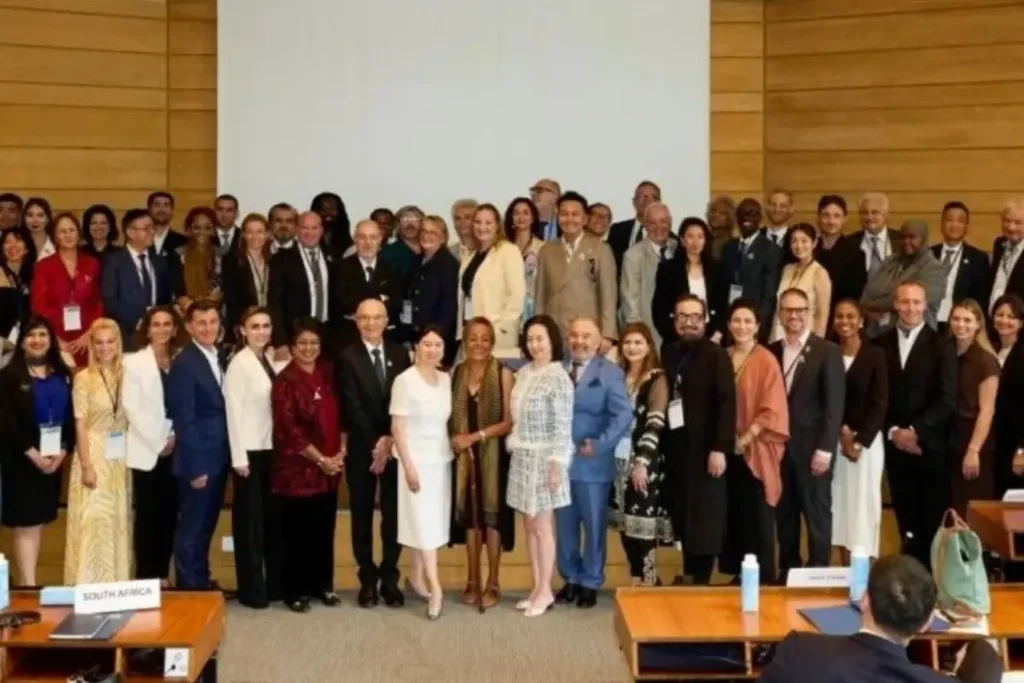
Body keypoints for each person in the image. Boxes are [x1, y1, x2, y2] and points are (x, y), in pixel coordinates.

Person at [760, 554, 1004, 683]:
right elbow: (986, 668)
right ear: (927, 623)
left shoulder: (799, 651)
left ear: (864, 600)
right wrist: (982, 648)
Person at [337, 298, 411, 607]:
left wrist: (389, 442)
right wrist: (377, 442)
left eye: (376, 317)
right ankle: (367, 577)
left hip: (395, 448)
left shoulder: (399, 353)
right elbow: (351, 406)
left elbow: (406, 401)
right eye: (364, 318)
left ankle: (390, 577)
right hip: (361, 449)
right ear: (356, 321)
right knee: (362, 515)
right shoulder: (346, 357)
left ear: (386, 321)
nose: (370, 323)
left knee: (394, 515)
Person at [878, 281, 957, 568]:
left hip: (931, 450)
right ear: (896, 304)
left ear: (925, 305)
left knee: (932, 522)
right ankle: (910, 582)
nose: (910, 308)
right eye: (905, 302)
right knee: (905, 520)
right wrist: (894, 433)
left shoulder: (942, 345)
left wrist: (916, 432)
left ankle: (933, 586)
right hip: (895, 448)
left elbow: (947, 398)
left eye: (916, 302)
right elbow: (878, 398)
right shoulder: (880, 345)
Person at [555, 317, 632, 607]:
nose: (579, 341)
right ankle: (570, 578)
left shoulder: (611, 373)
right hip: (560, 464)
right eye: (574, 335)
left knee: (594, 525)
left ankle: (590, 581)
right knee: (564, 526)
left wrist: (601, 443)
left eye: (586, 336)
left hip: (593, 463)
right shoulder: (558, 369)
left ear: (599, 342)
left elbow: (623, 415)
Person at [768, 288, 844, 578]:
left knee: (817, 514)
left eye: (800, 310)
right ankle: (788, 571)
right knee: (784, 515)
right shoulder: (771, 351)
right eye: (788, 310)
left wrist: (825, 449)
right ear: (780, 314)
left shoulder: (827, 351)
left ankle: (818, 574)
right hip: (779, 451)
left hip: (814, 450)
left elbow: (833, 406)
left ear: (809, 313)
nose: (794, 315)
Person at [661, 295, 736, 585]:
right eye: (682, 316)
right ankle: (689, 572)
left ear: (705, 320)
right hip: (679, 448)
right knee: (683, 513)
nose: (688, 322)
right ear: (675, 320)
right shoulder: (669, 351)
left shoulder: (716, 356)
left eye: (695, 316)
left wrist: (720, 448)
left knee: (705, 516)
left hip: (708, 448)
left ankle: (701, 577)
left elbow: (728, 403)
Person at [271, 317, 343, 612]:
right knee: (297, 533)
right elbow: (290, 430)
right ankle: (295, 591)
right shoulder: (284, 381)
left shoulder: (328, 373)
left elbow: (342, 416)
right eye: (302, 343)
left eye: (314, 343)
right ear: (292, 347)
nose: (309, 348)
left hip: (329, 471)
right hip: (297, 469)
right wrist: (321, 459)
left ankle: (322, 586)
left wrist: (339, 455)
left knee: (323, 530)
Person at [506, 315, 574, 617]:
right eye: (530, 339)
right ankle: (536, 586)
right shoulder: (524, 374)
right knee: (529, 524)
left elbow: (563, 425)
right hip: (523, 456)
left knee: (543, 526)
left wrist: (557, 463)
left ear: (552, 341)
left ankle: (546, 589)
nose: (535, 345)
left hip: (547, 458)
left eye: (540, 339)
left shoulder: (558, 377)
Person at [0, 316, 75, 585]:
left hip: (53, 459)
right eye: (31, 336)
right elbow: (5, 423)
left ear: (51, 341)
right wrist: (32, 454)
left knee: (38, 521)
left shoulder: (63, 375)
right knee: (26, 523)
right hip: (23, 461)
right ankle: (28, 585)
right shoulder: (9, 376)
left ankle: (28, 581)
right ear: (21, 343)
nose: (37, 340)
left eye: (43, 335)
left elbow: (71, 418)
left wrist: (63, 451)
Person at [720, 299, 788, 585]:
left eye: (748, 321)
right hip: (727, 449)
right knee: (733, 513)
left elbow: (773, 408)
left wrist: (746, 438)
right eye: (736, 320)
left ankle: (762, 579)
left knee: (756, 514)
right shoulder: (722, 356)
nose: (742, 326)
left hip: (754, 449)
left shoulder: (766, 359)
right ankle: (739, 573)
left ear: (758, 326)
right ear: (728, 324)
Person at [448, 318, 514, 608]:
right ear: (464, 341)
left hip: (494, 454)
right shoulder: (456, 372)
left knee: (492, 518)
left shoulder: (503, 373)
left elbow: (509, 422)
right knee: (471, 520)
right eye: (472, 338)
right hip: (463, 457)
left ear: (492, 343)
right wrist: (454, 437)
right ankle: (472, 580)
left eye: (484, 338)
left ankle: (494, 581)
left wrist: (474, 437)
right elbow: (447, 414)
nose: (478, 344)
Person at [390, 326, 452, 620]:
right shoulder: (404, 381)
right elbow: (397, 429)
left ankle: (415, 577)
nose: (432, 350)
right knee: (425, 526)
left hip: (440, 461)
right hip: (415, 464)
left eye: (437, 344)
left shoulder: (445, 379)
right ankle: (436, 588)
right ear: (416, 347)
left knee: (429, 523)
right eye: (426, 344)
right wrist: (409, 467)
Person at [167, 299, 228, 589]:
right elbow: (184, 419)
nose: (207, 328)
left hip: (217, 455)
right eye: (201, 323)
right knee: (191, 529)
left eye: (212, 322)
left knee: (205, 526)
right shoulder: (185, 363)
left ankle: (200, 580)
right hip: (199, 460)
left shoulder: (216, 356)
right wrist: (195, 466)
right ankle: (189, 589)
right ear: (189, 326)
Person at [224, 307, 283, 608]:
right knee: (249, 526)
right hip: (248, 453)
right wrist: (238, 457)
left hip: (267, 449)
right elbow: (232, 414)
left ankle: (266, 586)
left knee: (264, 523)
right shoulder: (239, 364)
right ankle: (251, 591)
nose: (261, 331)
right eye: (255, 326)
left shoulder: (267, 359)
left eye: (266, 325)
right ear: (243, 330)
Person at [64, 318, 130, 584]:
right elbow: (79, 425)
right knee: (94, 520)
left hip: (119, 455)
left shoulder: (127, 374)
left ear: (118, 343)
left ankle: (115, 583)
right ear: (91, 345)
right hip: (92, 452)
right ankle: (90, 583)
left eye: (110, 342)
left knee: (116, 519)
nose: (104, 348)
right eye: (99, 342)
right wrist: (87, 464)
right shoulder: (83, 378)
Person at [123, 305, 185, 582]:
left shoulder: (181, 360)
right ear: (147, 329)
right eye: (156, 324)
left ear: (174, 329)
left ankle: (163, 576)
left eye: (167, 324)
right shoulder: (132, 362)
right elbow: (132, 408)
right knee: (148, 518)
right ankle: (147, 578)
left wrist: (175, 437)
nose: (162, 329)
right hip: (148, 449)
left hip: (177, 449)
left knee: (171, 514)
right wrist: (160, 440)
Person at [609, 323, 671, 586]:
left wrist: (642, 462)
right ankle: (635, 577)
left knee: (643, 524)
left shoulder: (657, 379)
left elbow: (655, 423)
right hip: (617, 460)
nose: (632, 348)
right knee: (625, 524)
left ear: (648, 346)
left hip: (645, 460)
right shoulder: (617, 376)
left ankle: (650, 580)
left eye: (638, 342)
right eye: (627, 343)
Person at [831, 300, 889, 561]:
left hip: (867, 443)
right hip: (834, 439)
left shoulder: (875, 355)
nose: (845, 321)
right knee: (841, 504)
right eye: (840, 316)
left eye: (851, 316)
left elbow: (880, 402)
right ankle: (844, 566)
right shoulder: (828, 352)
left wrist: (859, 441)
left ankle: (866, 567)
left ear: (861, 321)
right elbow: (826, 397)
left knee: (864, 504)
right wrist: (842, 432)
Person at [535, 192, 618, 348]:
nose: (569, 219)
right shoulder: (547, 250)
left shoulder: (600, 249)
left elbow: (608, 296)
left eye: (575, 214)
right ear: (557, 217)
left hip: (587, 333)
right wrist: (538, 329)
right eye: (564, 214)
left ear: (585, 219)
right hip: (554, 332)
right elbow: (540, 297)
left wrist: (607, 334)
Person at [31, 212, 103, 367]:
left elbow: (98, 302)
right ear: (55, 236)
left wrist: (89, 333)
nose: (68, 235)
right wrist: (55, 339)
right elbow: (39, 306)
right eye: (62, 231)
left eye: (72, 230)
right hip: (56, 334)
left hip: (87, 335)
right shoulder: (43, 266)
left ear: (79, 234)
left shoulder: (91, 263)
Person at [948, 299, 999, 516]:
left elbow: (987, 410)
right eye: (957, 319)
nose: (961, 325)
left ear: (978, 324)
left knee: (969, 512)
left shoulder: (986, 361)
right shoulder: (946, 353)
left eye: (968, 320)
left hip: (972, 441)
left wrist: (973, 450)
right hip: (948, 440)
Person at [456, 203, 525, 358]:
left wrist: (500, 328)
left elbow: (517, 296)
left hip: (496, 334)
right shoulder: (471, 254)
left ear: (497, 226)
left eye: (488, 223)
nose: (482, 227)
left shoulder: (508, 251)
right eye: (478, 222)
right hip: (470, 331)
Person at [861, 220, 946, 337]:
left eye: (912, 237)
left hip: (917, 337)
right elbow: (869, 292)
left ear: (924, 239)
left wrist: (875, 306)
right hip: (879, 334)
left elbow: (913, 300)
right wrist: (867, 307)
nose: (906, 242)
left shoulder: (934, 268)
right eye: (903, 237)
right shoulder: (890, 261)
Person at [102, 208, 171, 350]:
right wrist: (140, 321)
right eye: (146, 228)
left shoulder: (160, 262)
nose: (152, 232)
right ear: (130, 232)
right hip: (127, 335)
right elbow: (110, 300)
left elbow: (165, 298)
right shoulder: (113, 261)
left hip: (158, 336)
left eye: (152, 227)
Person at [652, 217, 726, 347]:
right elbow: (659, 309)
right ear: (682, 240)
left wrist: (718, 334)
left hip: (712, 337)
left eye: (700, 237)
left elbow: (724, 305)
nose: (695, 242)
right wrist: (675, 337)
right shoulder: (668, 269)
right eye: (690, 236)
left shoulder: (717, 269)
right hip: (678, 338)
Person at [268, 211, 333, 357]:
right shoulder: (281, 260)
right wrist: (280, 341)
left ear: (321, 230)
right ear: (297, 230)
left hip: (328, 337)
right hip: (294, 336)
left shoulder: (333, 257)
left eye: (314, 228)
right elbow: (274, 303)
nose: (310, 232)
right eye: (305, 228)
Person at [330, 219, 401, 349]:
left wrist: (359, 299)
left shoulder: (391, 269)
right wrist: (380, 298)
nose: (368, 243)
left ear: (380, 239)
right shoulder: (340, 267)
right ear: (355, 239)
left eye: (372, 237)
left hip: (383, 338)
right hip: (348, 339)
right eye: (362, 237)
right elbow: (342, 303)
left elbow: (396, 303)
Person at [719, 199, 782, 342]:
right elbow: (721, 289)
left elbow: (769, 295)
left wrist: (757, 327)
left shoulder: (770, 249)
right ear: (736, 217)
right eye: (743, 213)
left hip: (753, 327)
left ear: (760, 218)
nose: (747, 217)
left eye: (753, 213)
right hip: (730, 325)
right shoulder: (728, 247)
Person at [402, 215, 459, 367]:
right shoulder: (416, 260)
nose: (427, 236)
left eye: (433, 233)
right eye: (424, 231)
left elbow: (448, 307)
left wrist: (436, 339)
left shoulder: (449, 265)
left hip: (436, 341)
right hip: (416, 336)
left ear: (443, 237)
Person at [620, 203, 677, 349]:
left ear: (670, 223)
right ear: (645, 226)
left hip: (678, 330)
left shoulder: (679, 249)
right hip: (648, 332)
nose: (659, 227)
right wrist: (639, 335)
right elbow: (630, 298)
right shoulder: (633, 255)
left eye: (663, 221)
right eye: (653, 222)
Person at [931, 202, 990, 332]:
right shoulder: (928, 254)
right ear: (941, 224)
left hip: (959, 325)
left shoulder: (978, 258)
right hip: (929, 322)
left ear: (967, 227)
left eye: (960, 221)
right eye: (949, 220)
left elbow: (981, 297)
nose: (955, 225)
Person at [770, 223, 832, 341]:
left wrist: (817, 346)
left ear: (814, 243)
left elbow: (822, 315)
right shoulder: (787, 269)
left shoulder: (820, 273)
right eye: (794, 241)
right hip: (780, 333)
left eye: (804, 241)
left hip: (805, 336)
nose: (799, 246)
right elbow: (778, 307)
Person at [814, 194, 867, 327]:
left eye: (837, 216)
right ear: (818, 218)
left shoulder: (855, 253)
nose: (831, 221)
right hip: (810, 317)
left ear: (845, 220)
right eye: (826, 215)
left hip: (839, 321)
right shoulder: (810, 248)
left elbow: (854, 294)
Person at [221, 213, 273, 343]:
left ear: (267, 234)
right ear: (243, 234)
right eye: (250, 232)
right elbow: (230, 298)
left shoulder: (274, 261)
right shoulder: (232, 261)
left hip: (269, 324)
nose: (255, 237)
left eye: (259, 232)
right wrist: (239, 325)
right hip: (244, 325)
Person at [992, 294, 1024, 497]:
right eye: (999, 314)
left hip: (1015, 441)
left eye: (1011, 316)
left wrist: (1022, 448)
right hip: (995, 440)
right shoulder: (989, 349)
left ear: (1020, 322)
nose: (1004, 320)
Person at [504, 197, 545, 326]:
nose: (521, 217)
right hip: (507, 312)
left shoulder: (543, 248)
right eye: (516, 213)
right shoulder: (503, 249)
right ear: (511, 218)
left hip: (535, 311)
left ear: (533, 218)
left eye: (525, 213)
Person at [607, 181, 662, 275]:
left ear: (658, 203)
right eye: (642, 196)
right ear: (634, 201)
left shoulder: (669, 238)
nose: (647, 200)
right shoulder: (617, 230)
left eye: (652, 197)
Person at [175, 207, 221, 313]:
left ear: (214, 230)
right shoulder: (179, 254)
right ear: (189, 229)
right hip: (186, 310)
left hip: (215, 311)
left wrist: (211, 300)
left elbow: (224, 286)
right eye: (197, 227)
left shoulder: (221, 254)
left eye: (207, 227)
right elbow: (177, 289)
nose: (202, 232)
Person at [0, 227, 33, 360]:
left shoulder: (36, 274)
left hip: (29, 342)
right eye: (7, 241)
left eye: (18, 240)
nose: (12, 245)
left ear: (27, 246)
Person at [987, 199, 1024, 312]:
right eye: (1007, 221)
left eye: (1018, 223)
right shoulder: (999, 244)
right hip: (994, 319)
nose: (1011, 227)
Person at [310, 191, 352, 258]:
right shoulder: (306, 239)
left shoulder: (347, 241)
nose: (328, 213)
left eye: (332, 210)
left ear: (339, 212)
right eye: (322, 210)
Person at [706, 195, 737, 260]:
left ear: (730, 217)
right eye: (713, 211)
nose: (715, 215)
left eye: (722, 213)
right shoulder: (703, 241)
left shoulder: (734, 245)